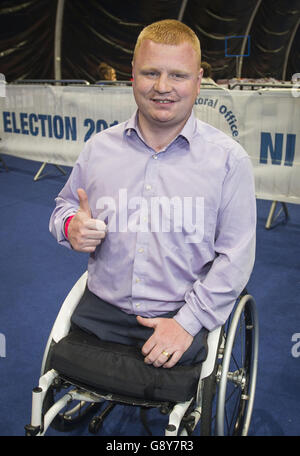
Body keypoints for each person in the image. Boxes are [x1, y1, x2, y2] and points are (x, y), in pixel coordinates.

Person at [49, 19, 256, 370]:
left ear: (199, 79)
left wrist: (187, 323)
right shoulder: (99, 149)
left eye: (178, 75)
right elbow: (65, 207)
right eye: (150, 73)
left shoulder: (229, 162)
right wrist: (70, 226)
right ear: (132, 74)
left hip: (179, 314)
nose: (163, 87)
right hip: (100, 311)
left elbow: (235, 258)